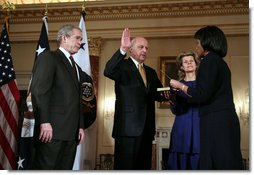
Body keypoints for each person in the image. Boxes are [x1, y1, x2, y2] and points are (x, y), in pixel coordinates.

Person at [169, 26, 243, 170]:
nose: (196, 47)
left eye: (197, 43)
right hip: (223, 120)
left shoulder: (209, 61)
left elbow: (202, 95)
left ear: (206, 42)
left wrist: (181, 86)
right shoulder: (220, 62)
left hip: (215, 122)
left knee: (217, 164)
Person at [104, 28, 167, 170]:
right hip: (127, 129)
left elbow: (158, 93)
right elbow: (108, 71)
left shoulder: (151, 72)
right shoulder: (122, 66)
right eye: (141, 47)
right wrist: (122, 49)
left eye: (146, 48)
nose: (144, 50)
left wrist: (173, 92)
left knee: (143, 168)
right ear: (131, 49)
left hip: (147, 129)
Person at [30, 24, 85, 170]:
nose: (81, 42)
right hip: (51, 131)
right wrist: (45, 121)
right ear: (64, 38)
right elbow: (39, 91)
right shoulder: (49, 57)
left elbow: (77, 100)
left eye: (81, 39)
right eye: (77, 38)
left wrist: (80, 126)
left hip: (71, 133)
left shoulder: (75, 67)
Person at [167, 51, 200, 170]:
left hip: (199, 124)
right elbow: (176, 110)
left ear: (196, 64)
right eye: (185, 62)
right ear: (181, 66)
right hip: (182, 125)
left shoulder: (203, 84)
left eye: (191, 61)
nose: (189, 63)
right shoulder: (176, 84)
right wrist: (172, 100)